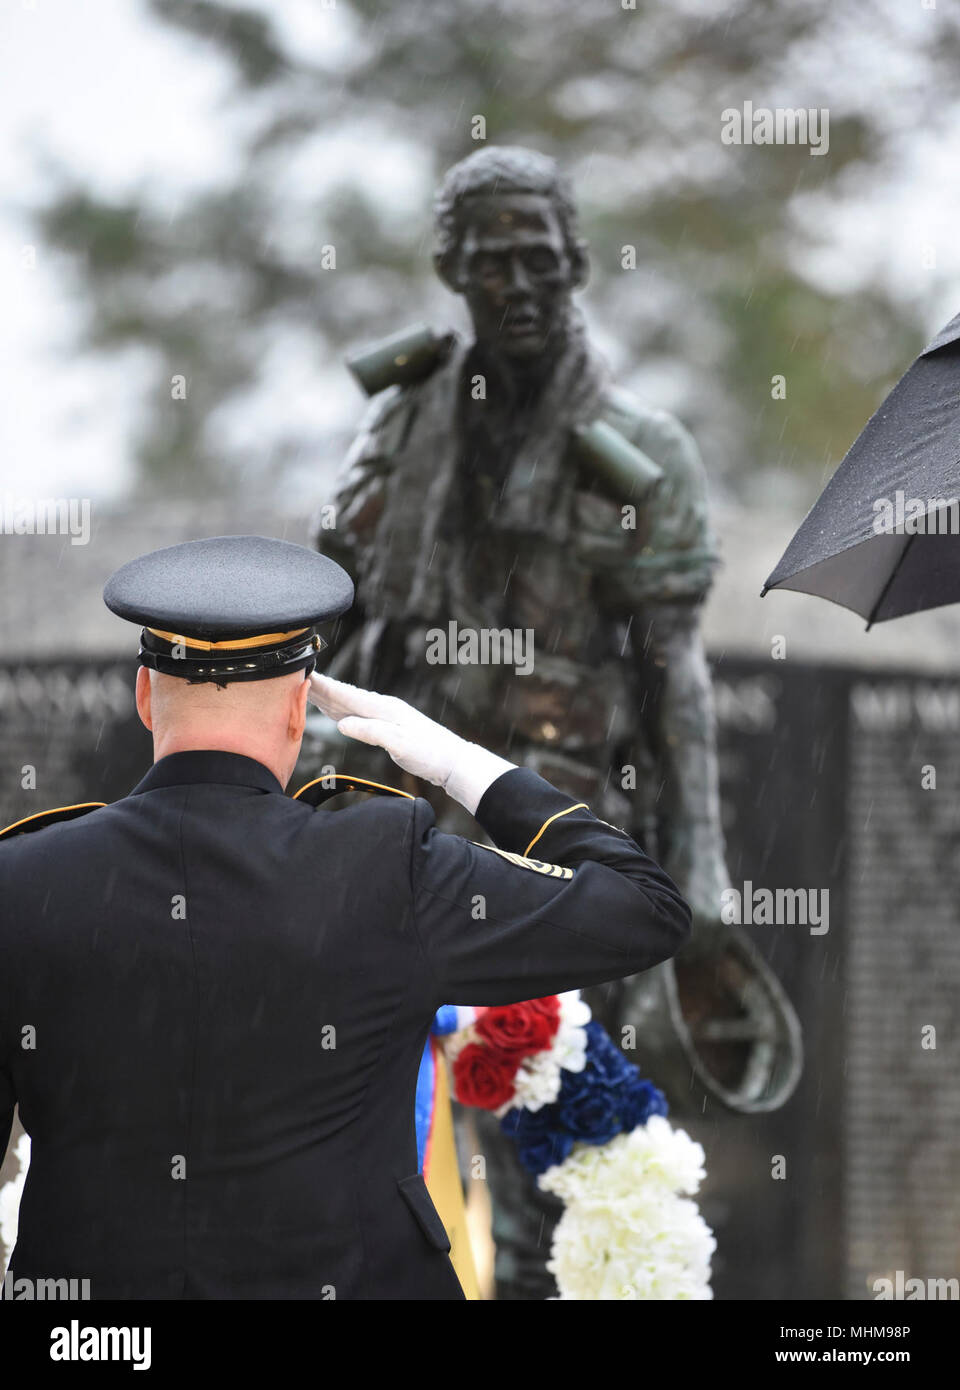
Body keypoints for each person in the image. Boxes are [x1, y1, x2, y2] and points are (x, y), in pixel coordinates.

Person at [0, 534, 691, 1300]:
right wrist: (455, 760)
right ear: (301, 706)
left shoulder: (21, 878)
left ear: (143, 693)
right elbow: (646, 907)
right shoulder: (383, 868)